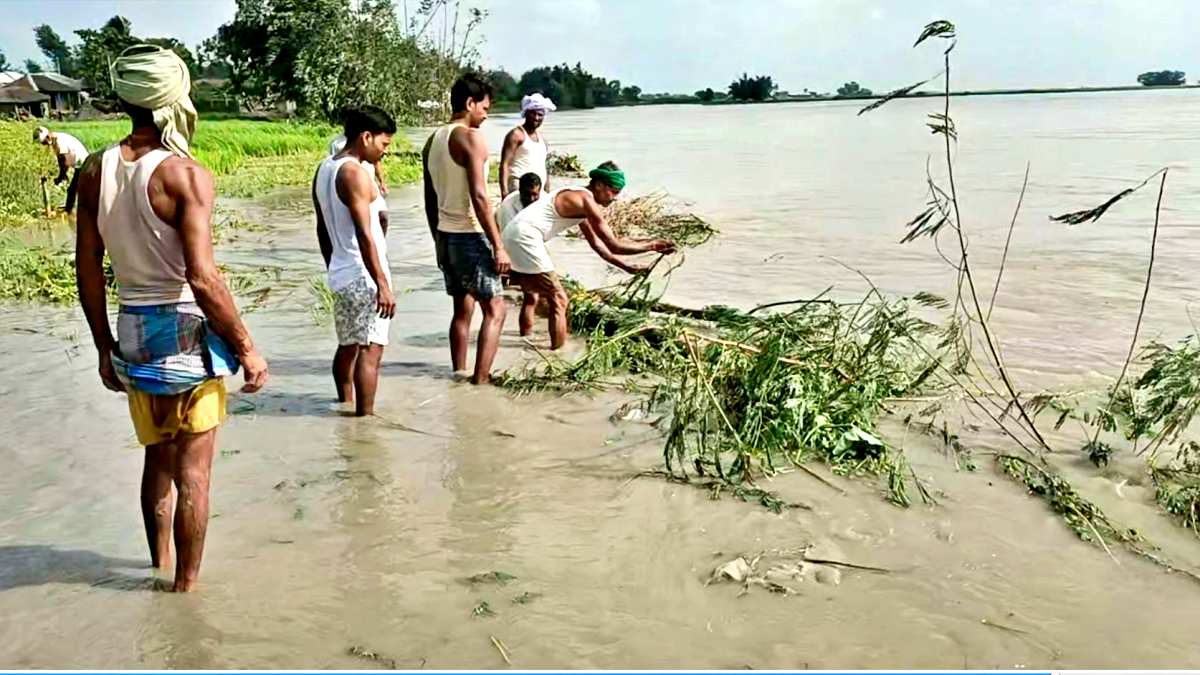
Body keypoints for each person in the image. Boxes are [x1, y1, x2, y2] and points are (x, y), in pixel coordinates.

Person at [73, 44, 269, 592]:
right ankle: (185, 593)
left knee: (156, 462)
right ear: (172, 101)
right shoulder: (184, 175)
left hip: (132, 330)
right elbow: (203, 279)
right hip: (184, 332)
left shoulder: (94, 169)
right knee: (194, 474)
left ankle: (156, 567)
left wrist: (102, 344)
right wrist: (247, 348)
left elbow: (87, 267)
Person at [503, 161, 675, 349]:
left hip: (513, 236)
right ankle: (557, 354)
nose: (615, 198)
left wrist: (626, 266)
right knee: (559, 299)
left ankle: (524, 340)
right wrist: (652, 245)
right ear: (599, 185)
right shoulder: (586, 201)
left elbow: (598, 246)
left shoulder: (578, 198)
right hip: (525, 238)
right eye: (614, 191)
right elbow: (614, 244)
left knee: (532, 294)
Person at [422, 73, 511, 384]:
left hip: (446, 236)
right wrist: (498, 245)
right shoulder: (470, 138)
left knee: (462, 310)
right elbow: (479, 195)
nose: (486, 115)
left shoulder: (434, 140)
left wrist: (437, 240)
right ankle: (481, 380)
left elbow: (429, 196)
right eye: (484, 108)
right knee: (496, 309)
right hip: (470, 235)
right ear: (470, 103)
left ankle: (459, 371)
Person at [314, 106, 396, 416]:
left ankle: (344, 405)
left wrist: (332, 265)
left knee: (348, 344)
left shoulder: (325, 168)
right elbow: (366, 234)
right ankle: (365, 422)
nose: (385, 151)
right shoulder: (354, 173)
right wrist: (382, 284)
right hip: (364, 275)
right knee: (371, 351)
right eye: (384, 144)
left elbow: (322, 227)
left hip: (341, 271)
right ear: (366, 137)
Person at [499, 93, 555, 198]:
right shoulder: (516, 135)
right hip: (519, 186)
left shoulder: (542, 140)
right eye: (533, 113)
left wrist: (547, 189)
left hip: (538, 188)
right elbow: (504, 164)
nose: (536, 117)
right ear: (526, 113)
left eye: (540, 115)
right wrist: (504, 191)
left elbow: (544, 167)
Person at [34, 125, 89, 214]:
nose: (44, 145)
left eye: (44, 143)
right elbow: (60, 159)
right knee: (74, 189)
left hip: (83, 162)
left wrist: (61, 177)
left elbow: (65, 161)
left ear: (48, 138)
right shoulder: (55, 141)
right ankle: (70, 210)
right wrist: (62, 175)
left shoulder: (60, 141)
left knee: (73, 189)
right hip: (78, 164)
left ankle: (69, 212)